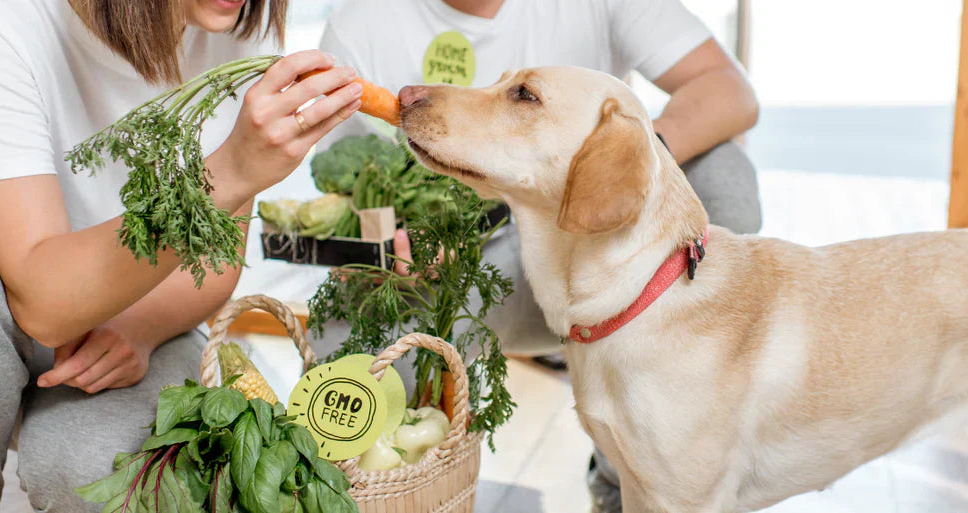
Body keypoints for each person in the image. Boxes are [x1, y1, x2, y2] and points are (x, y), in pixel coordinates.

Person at [311, 0, 762, 511]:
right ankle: (405, 492)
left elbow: (730, 90)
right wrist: (395, 232)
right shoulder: (362, 24)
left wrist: (615, 169)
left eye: (522, 94)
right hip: (468, 267)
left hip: (603, 250)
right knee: (347, 349)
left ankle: (634, 472)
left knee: (724, 176)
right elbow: (345, 183)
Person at [0, 0, 363, 510]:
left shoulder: (238, 22)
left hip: (134, 311)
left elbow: (215, 261)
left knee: (109, 471)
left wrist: (141, 328)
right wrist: (231, 169)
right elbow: (42, 303)